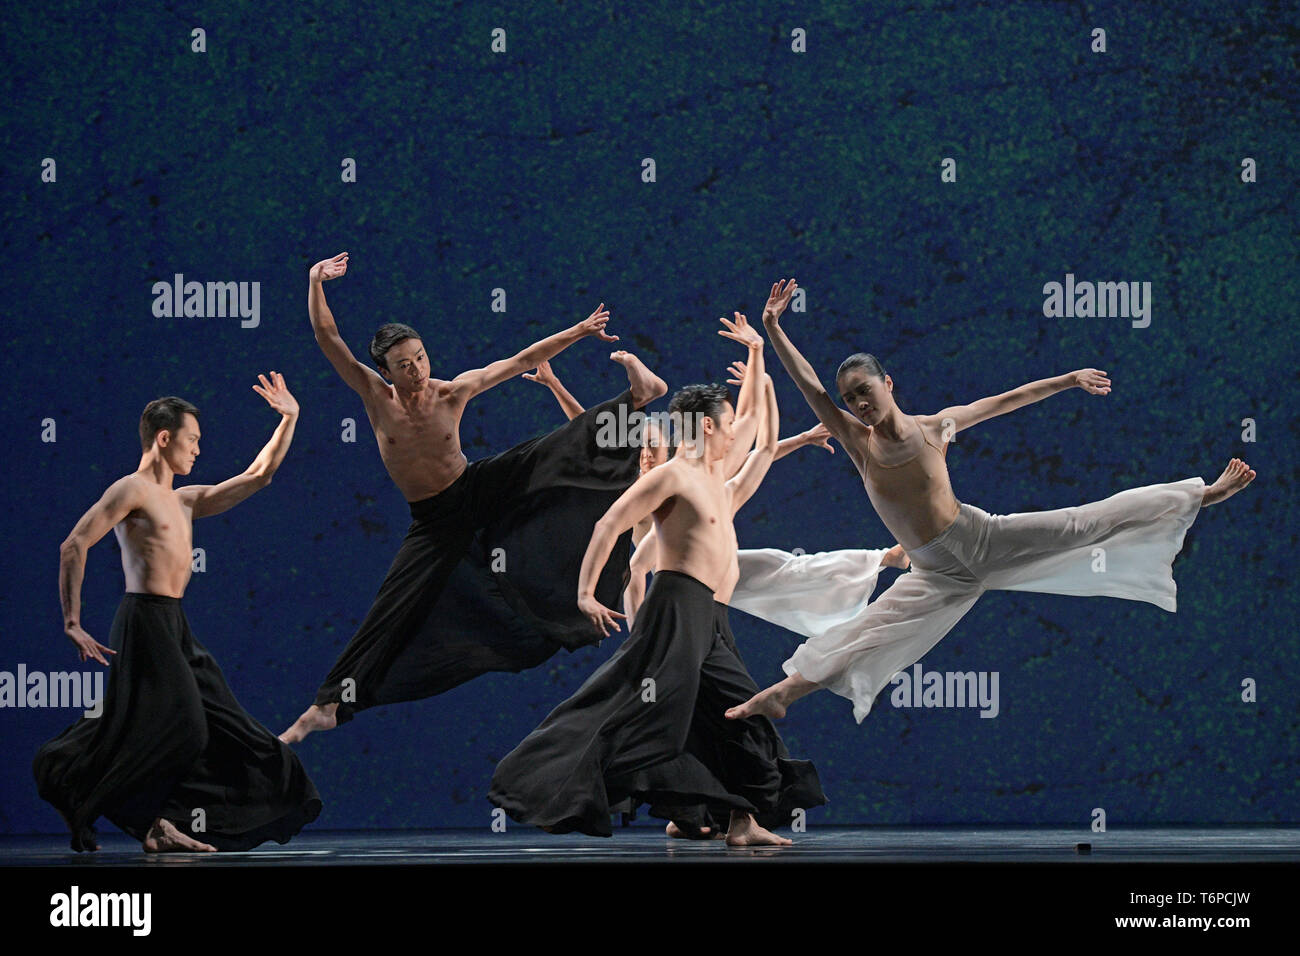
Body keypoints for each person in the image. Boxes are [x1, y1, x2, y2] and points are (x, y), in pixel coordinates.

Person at [727, 278, 1257, 724]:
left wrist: (1068, 379)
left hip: (980, 539)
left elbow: (1007, 400)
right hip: (937, 574)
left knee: (1082, 524)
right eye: (851, 399)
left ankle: (1200, 495)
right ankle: (781, 695)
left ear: (888, 383)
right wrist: (774, 327)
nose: (860, 404)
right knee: (869, 630)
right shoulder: (857, 443)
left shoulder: (937, 428)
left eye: (866, 390)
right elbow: (810, 387)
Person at [282, 252, 667, 743]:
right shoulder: (375, 397)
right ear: (386, 371)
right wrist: (316, 282)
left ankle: (635, 399)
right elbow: (328, 340)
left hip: (476, 487)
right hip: (434, 521)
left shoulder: (452, 392)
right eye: (404, 365)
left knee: (548, 456)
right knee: (392, 609)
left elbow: (521, 360)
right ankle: (329, 704)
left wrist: (579, 330)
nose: (417, 370)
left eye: (420, 357)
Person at [490, 350, 825, 845]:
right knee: (639, 704)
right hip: (677, 606)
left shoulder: (717, 482)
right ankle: (547, 783)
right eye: (727, 423)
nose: (735, 430)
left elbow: (765, 439)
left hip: (711, 616)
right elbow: (610, 524)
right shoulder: (671, 476)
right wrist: (585, 593)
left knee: (733, 712)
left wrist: (760, 360)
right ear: (706, 428)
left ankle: (739, 819)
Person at [35, 375, 322, 852]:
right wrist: (71, 621)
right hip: (144, 621)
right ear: (164, 438)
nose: (197, 451)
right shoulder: (131, 490)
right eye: (192, 440)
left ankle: (158, 823)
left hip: (175, 625)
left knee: (229, 728)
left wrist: (289, 418)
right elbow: (75, 544)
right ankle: (111, 796)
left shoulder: (185, 500)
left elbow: (258, 476)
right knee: (182, 726)